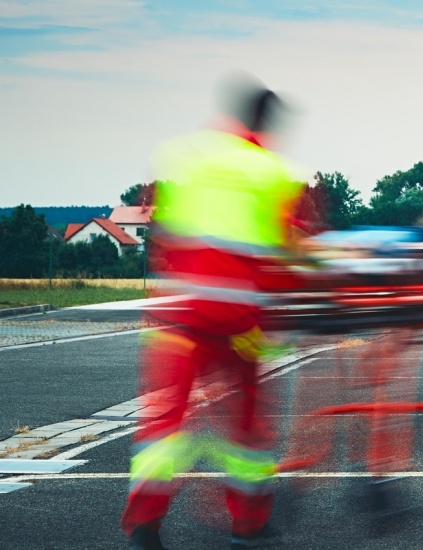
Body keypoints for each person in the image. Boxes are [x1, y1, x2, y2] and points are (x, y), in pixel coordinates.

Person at [121, 73, 305, 550]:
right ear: (267, 122)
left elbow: (163, 232)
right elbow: (283, 256)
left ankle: (144, 524)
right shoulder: (271, 173)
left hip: (180, 314)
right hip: (237, 320)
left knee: (163, 426)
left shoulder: (184, 157)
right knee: (246, 430)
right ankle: (249, 525)